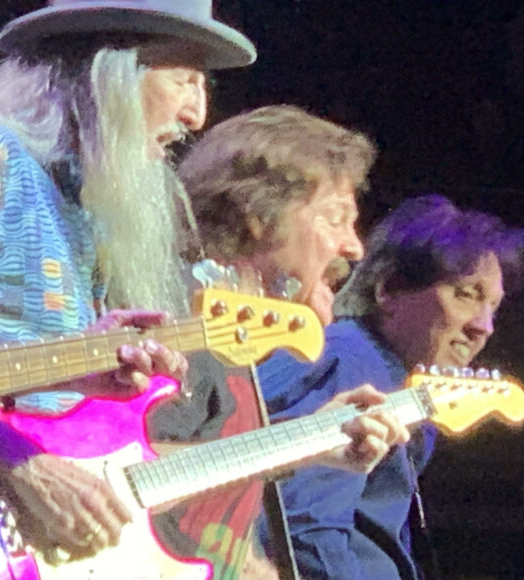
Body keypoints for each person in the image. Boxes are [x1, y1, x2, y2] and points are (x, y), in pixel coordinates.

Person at [0, 0, 259, 567]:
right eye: (184, 78)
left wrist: (87, 368)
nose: (198, 114)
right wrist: (11, 456)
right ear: (112, 71)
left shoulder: (83, 205)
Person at [179, 104, 413, 577]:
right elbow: (132, 485)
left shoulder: (236, 347)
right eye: (335, 218)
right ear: (257, 217)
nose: (355, 247)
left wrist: (311, 440)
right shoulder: (178, 327)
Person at [256, 194, 524, 579]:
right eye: (467, 295)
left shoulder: (390, 374)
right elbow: (303, 532)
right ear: (388, 290)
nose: (484, 327)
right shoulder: (354, 364)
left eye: (494, 307)